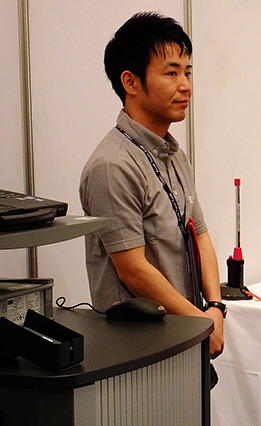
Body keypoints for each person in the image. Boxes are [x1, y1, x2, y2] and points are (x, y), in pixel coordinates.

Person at [79, 12, 224, 359]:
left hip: (184, 332)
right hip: (136, 348)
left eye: (188, 72)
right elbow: (133, 269)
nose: (186, 85)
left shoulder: (171, 152)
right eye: (171, 73)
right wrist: (201, 323)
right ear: (130, 82)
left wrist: (216, 306)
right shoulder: (113, 165)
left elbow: (199, 233)